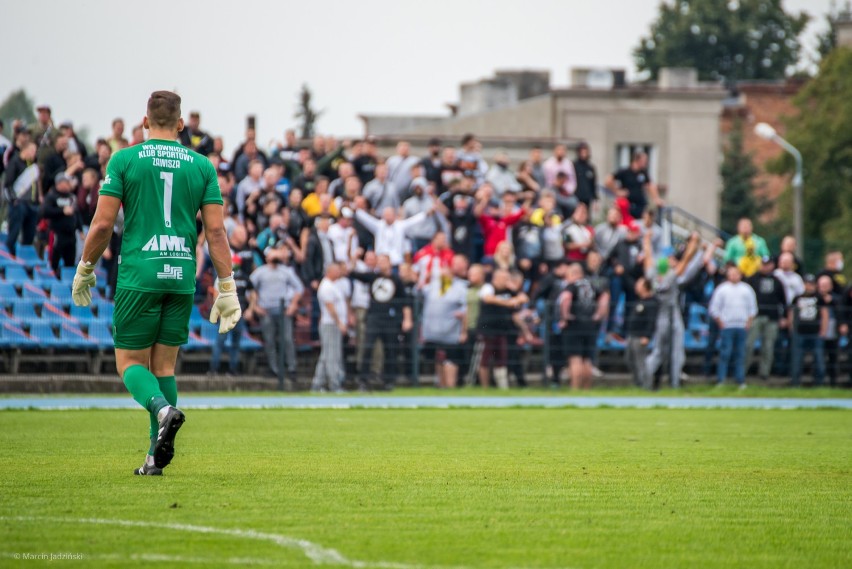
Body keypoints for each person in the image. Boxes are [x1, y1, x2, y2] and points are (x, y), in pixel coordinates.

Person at [71, 91, 240, 476]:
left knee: (130, 363)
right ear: (181, 124)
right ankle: (153, 458)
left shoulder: (125, 159)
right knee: (164, 368)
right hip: (181, 274)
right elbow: (215, 231)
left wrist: (85, 268)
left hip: (140, 273)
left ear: (145, 121)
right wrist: (227, 286)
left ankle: (163, 411)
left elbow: (101, 224)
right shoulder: (201, 165)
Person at [644, 232, 702, 388]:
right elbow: (686, 260)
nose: (672, 260)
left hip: (661, 314)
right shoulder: (670, 275)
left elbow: (648, 258)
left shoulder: (653, 275)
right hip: (672, 312)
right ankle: (674, 382)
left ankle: (646, 380)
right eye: (669, 259)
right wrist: (693, 244)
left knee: (658, 351)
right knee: (676, 351)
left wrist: (647, 241)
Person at [350, 254, 413, 391]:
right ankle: (363, 380)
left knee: (390, 350)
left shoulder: (396, 280)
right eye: (380, 261)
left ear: (390, 263)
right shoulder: (373, 277)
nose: (382, 264)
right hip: (374, 318)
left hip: (390, 319)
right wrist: (354, 259)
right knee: (367, 348)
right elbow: (354, 274)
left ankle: (389, 381)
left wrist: (407, 319)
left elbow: (405, 302)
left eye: (384, 261)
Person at [251, 244, 305, 380]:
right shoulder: (260, 272)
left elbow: (299, 287)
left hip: (283, 310)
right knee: (269, 340)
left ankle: (292, 368)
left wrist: (293, 304)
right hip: (266, 310)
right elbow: (250, 289)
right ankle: (274, 368)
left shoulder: (286, 271)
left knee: (287, 339)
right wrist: (255, 306)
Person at [558, 263, 606, 390]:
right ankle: (586, 389)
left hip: (574, 325)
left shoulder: (572, 286)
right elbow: (604, 297)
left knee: (575, 359)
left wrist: (565, 316)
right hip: (590, 325)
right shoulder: (591, 285)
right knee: (587, 359)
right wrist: (598, 314)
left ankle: (575, 389)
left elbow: (566, 299)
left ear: (573, 274)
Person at [708, 264, 757, 388]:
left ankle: (740, 380)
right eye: (731, 273)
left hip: (742, 326)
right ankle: (721, 380)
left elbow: (752, 308)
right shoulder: (722, 289)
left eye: (736, 273)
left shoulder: (747, 289)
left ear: (740, 275)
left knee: (740, 354)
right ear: (728, 275)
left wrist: (748, 322)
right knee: (725, 353)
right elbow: (714, 308)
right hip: (727, 326)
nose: (734, 276)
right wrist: (721, 322)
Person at [421, 263, 468, 388]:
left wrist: (463, 332)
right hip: (433, 332)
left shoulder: (460, 288)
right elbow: (419, 290)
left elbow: (465, 310)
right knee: (438, 359)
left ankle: (450, 386)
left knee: (450, 359)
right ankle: (441, 386)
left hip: (451, 332)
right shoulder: (433, 287)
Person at [745, 256, 787, 380]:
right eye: (763, 264)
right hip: (755, 317)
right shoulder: (752, 279)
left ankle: (764, 373)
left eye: (768, 264)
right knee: (748, 345)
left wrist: (783, 317)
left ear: (772, 266)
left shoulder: (777, 281)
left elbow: (783, 301)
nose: (765, 266)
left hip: (772, 318)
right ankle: (742, 372)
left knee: (768, 347)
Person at [311, 263, 348, 393]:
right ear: (330, 272)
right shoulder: (326, 287)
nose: (339, 273)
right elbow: (330, 307)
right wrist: (340, 323)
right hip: (330, 324)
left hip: (331, 324)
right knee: (332, 355)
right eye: (336, 270)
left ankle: (317, 384)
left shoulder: (333, 285)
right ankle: (334, 384)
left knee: (326, 355)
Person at [3, 141, 41, 257]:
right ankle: (9, 258)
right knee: (14, 233)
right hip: (19, 204)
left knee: (29, 235)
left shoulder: (32, 166)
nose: (34, 154)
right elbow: (7, 185)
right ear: (24, 150)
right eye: (32, 151)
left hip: (32, 204)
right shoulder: (15, 162)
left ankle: (25, 262)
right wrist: (14, 201)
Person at [41, 173, 82, 276]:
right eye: (66, 182)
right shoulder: (51, 196)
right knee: (54, 261)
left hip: (71, 234)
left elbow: (77, 214)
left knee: (70, 262)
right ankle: (53, 279)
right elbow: (45, 211)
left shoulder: (72, 197)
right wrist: (62, 211)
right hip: (57, 233)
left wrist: (80, 229)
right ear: (59, 183)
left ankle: (68, 283)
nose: (68, 185)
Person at [789, 275, 826, 387]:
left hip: (815, 332)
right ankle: (795, 383)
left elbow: (825, 314)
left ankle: (819, 383)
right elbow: (791, 313)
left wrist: (823, 330)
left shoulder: (819, 298)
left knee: (819, 358)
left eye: (811, 283)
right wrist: (791, 327)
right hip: (800, 332)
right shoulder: (797, 298)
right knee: (797, 359)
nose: (808, 286)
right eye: (806, 283)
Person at [605, 152, 662, 220]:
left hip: (640, 204)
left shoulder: (643, 173)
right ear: (637, 160)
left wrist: (656, 198)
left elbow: (650, 185)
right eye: (644, 161)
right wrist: (617, 191)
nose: (646, 163)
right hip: (627, 205)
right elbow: (608, 180)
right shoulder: (625, 171)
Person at [624, 277, 658, 389]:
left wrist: (647, 336)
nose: (636, 286)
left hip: (640, 337)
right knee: (629, 360)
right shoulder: (638, 301)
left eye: (639, 284)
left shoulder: (652, 302)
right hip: (632, 336)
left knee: (641, 363)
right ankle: (638, 383)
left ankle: (646, 386)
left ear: (645, 287)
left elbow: (651, 321)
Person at [573, 142, 597, 211]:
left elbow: (593, 185)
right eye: (582, 152)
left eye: (585, 152)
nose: (583, 154)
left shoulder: (590, 167)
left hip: (587, 198)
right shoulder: (574, 165)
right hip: (576, 197)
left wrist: (595, 199)